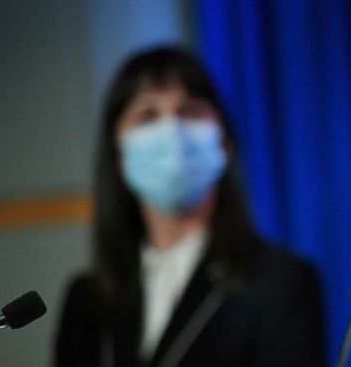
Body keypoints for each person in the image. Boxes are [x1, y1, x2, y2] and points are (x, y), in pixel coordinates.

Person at [55, 46, 325, 366]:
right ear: (119, 157)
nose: (173, 131)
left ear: (222, 142)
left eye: (190, 112)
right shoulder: (86, 299)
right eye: (147, 116)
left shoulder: (282, 283)